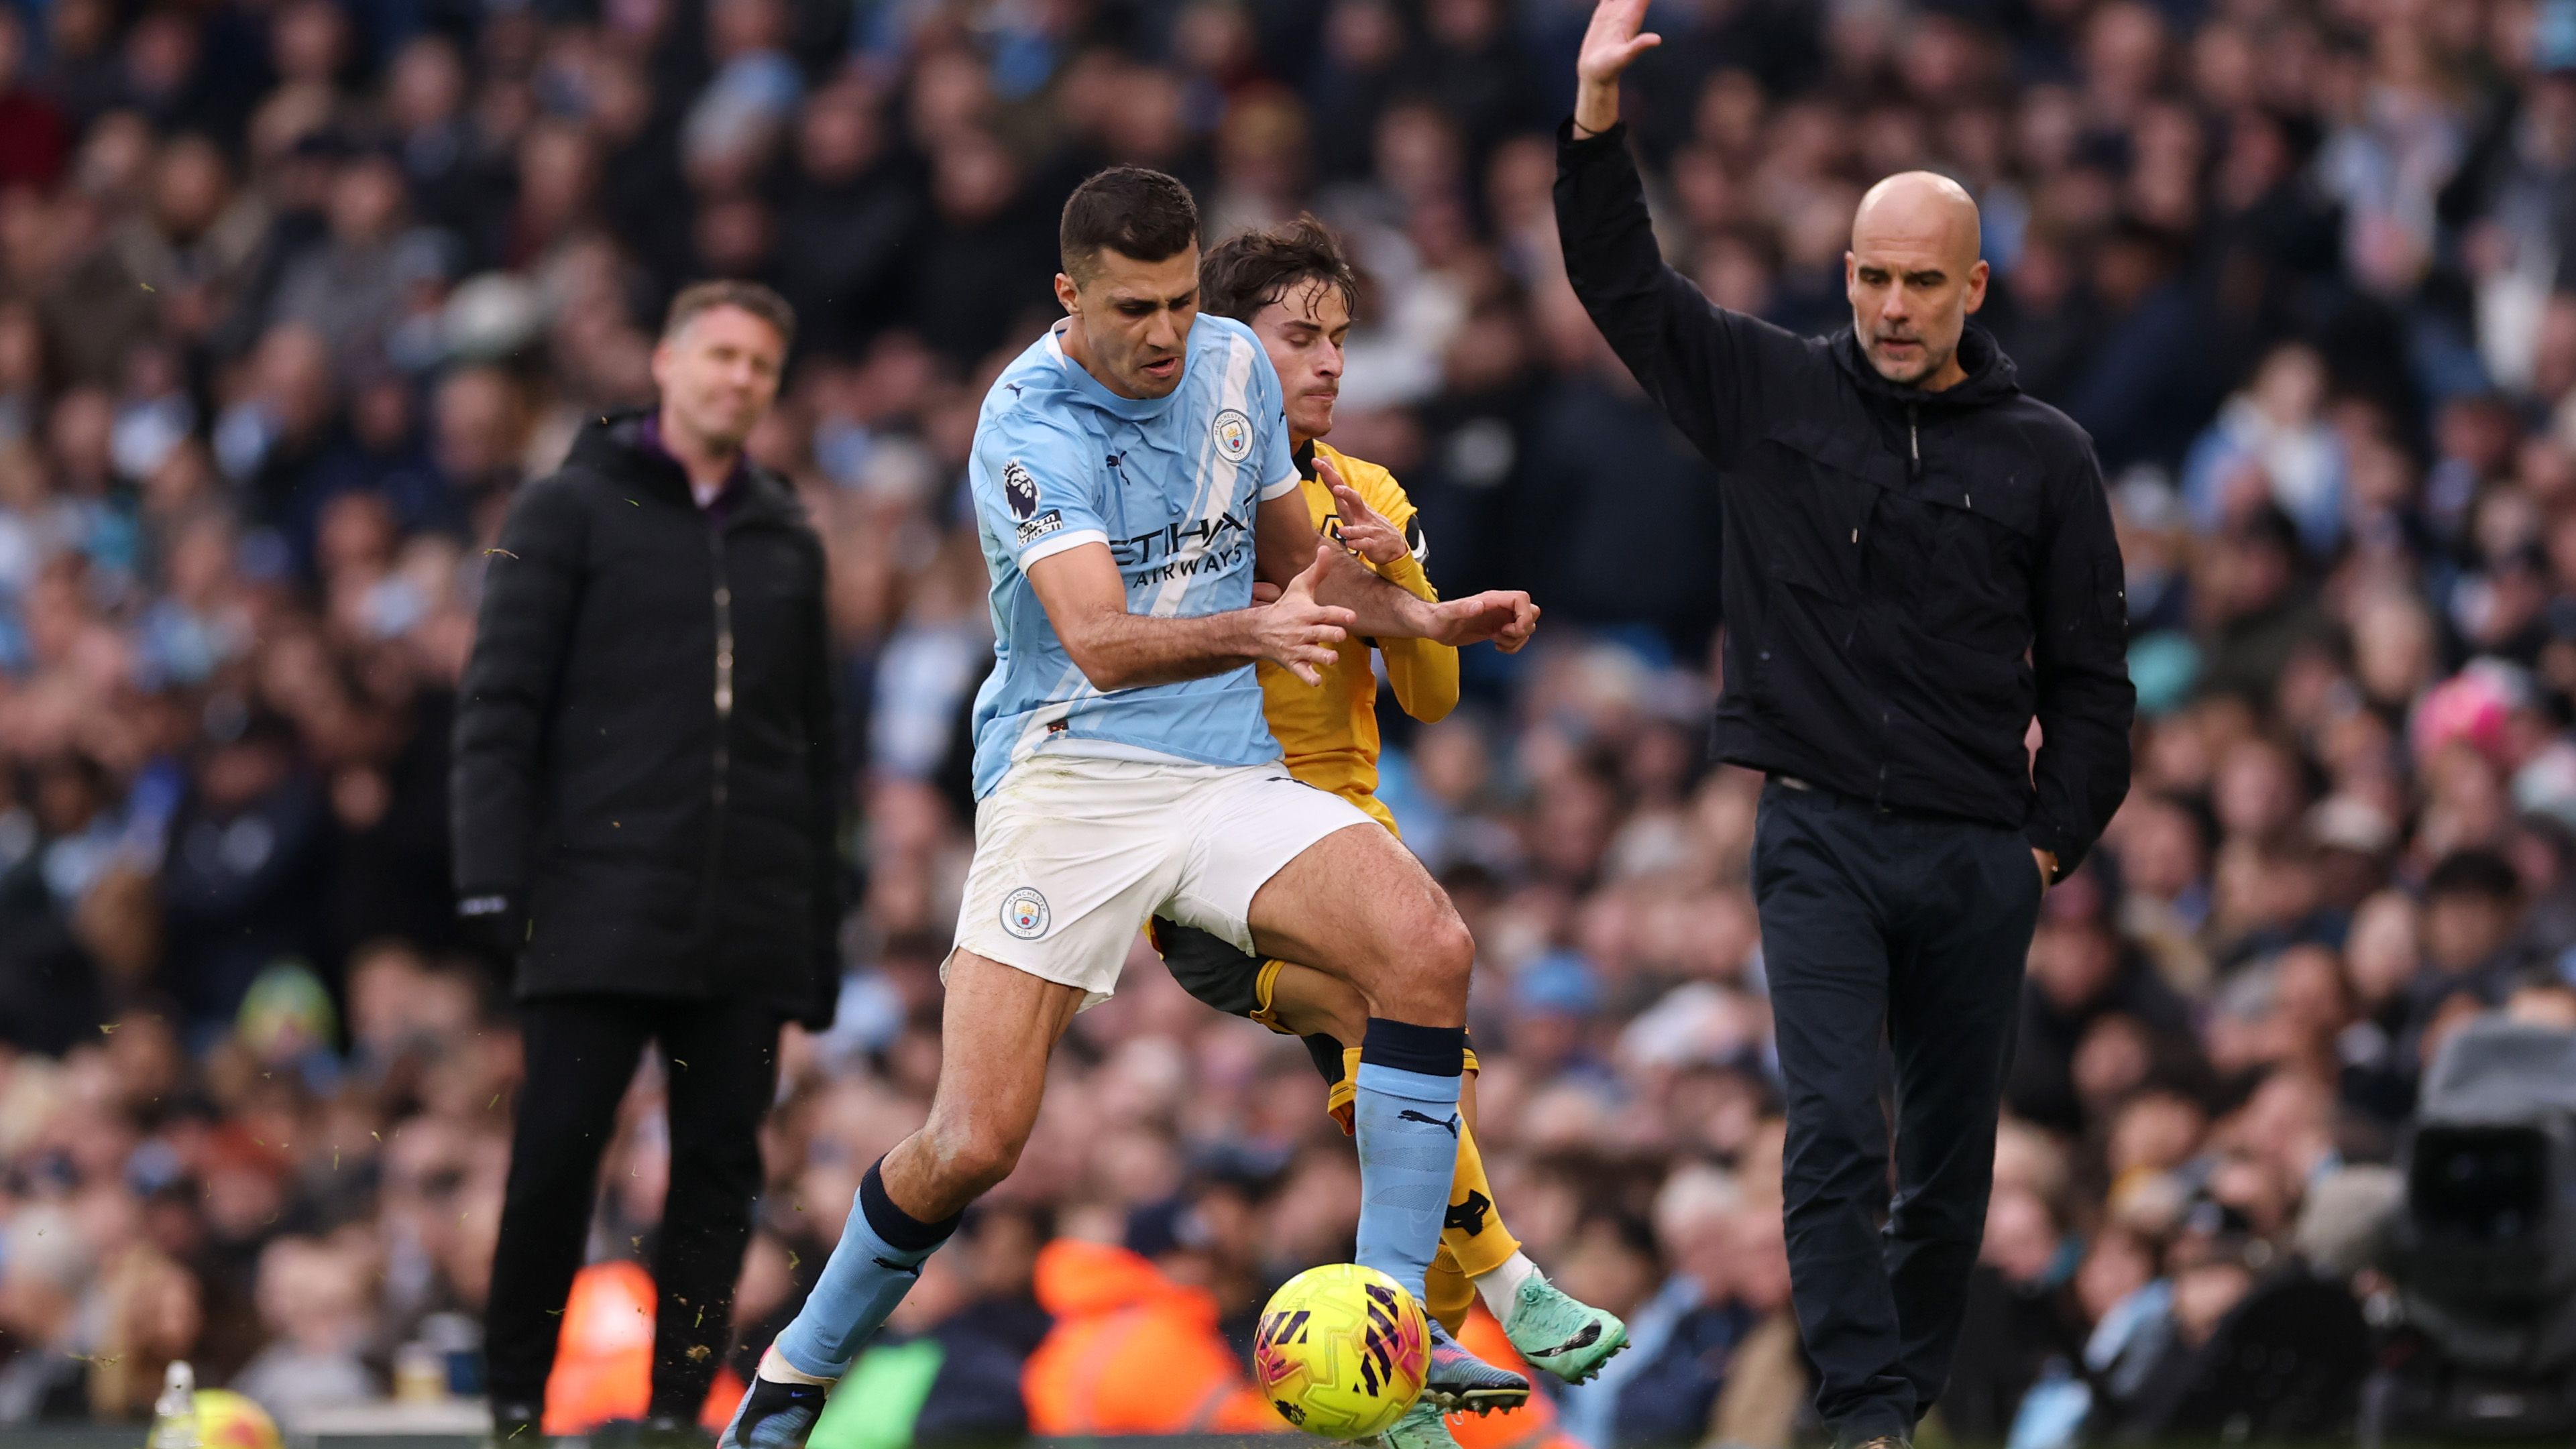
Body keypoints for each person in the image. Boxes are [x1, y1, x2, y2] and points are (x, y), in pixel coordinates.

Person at [717, 167, 1541, 1449]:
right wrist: (1264, 632)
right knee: (976, 1138)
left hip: (1223, 771)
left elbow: (1289, 562)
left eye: (1176, 300)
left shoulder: (1233, 367)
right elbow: (1099, 642)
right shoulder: (1026, 423)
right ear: (1070, 296)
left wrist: (1429, 615)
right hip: (1069, 778)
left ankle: (1390, 1320)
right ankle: (796, 1374)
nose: (1163, 334)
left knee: (1428, 949)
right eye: (1131, 308)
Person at [1553, 5, 2137, 1448]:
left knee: (1947, 1165)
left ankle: (1899, 1404)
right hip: (1815, 824)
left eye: (1919, 283)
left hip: (1974, 849)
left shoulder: (2045, 456)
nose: (1889, 305)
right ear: (1846, 275)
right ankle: (1867, 1418)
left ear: (1973, 288)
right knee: (1826, 1130)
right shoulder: (1770, 392)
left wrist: (2048, 848)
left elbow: (2092, 679)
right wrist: (1592, 127)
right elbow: (1623, 285)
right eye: (1871, 276)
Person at [1146, 216, 1628, 1449]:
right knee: (1395, 1038)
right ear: (1226, 348)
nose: (1328, 363)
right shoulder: (1179, 489)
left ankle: (1402, 1376)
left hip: (1357, 840)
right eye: (1297, 336)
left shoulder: (1371, 493)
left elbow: (1430, 700)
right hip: (1230, 849)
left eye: (1340, 340)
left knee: (1420, 1082)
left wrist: (1398, 597)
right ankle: (1494, 1294)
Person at [451, 280, 843, 1447]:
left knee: (719, 1184)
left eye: (761, 365)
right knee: (553, 1162)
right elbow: (499, 703)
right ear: (667, 361)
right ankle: (515, 1408)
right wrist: (492, 882)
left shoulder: (787, 538)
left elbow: (816, 749)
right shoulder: (569, 507)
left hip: (744, 915)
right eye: (720, 354)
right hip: (595, 902)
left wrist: (814, 936)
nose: (739, 379)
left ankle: (677, 1415)